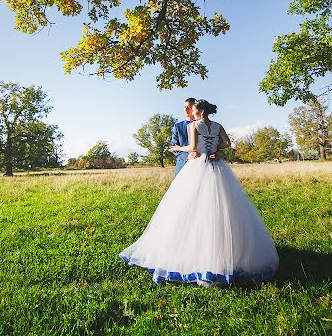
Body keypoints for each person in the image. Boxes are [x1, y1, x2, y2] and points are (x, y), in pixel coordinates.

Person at [119, 99, 279, 286]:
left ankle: (196, 254)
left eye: (194, 109)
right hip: (217, 166)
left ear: (200, 111)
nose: (191, 112)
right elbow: (227, 143)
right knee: (222, 205)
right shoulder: (218, 125)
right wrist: (216, 149)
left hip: (198, 166)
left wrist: (178, 148)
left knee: (190, 205)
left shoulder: (194, 125)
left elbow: (193, 148)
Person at [171, 97, 196, 176]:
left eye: (189, 107)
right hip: (182, 166)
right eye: (184, 107)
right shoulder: (178, 126)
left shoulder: (203, 125)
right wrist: (188, 156)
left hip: (202, 166)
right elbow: (174, 147)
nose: (186, 109)